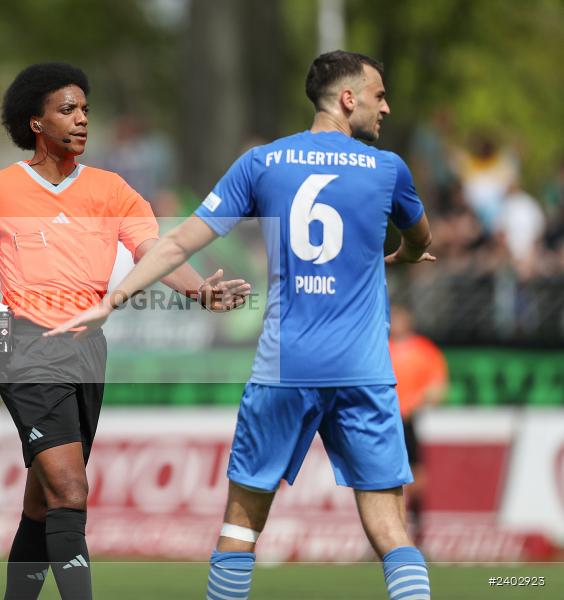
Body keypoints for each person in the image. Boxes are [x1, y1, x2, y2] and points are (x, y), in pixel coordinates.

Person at [48, 51, 437, 600]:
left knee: (241, 524)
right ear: (348, 99)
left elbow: (180, 240)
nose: (386, 107)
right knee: (391, 528)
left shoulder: (263, 163)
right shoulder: (388, 168)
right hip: (364, 371)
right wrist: (403, 249)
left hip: (285, 367)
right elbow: (422, 238)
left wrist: (114, 299)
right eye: (378, 95)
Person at [0, 62, 249, 600]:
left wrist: (200, 291)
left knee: (43, 500)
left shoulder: (111, 190)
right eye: (67, 110)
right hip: (26, 346)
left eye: (85, 109)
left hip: (87, 351)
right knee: (70, 488)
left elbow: (156, 253)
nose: (82, 119)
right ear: (35, 123)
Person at [388, 305, 447, 545]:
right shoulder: (381, 346)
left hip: (407, 420)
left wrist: (416, 403)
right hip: (383, 420)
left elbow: (438, 386)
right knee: (382, 477)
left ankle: (416, 532)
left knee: (415, 478)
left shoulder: (424, 350)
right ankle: (386, 532)